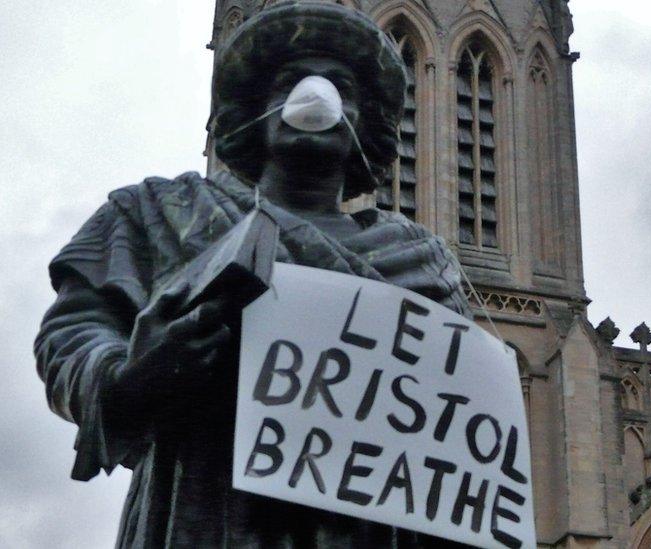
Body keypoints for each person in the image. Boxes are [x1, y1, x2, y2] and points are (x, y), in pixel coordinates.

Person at [34, 3, 470, 547]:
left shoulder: (421, 261)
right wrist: (132, 374)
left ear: (367, 120)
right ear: (254, 108)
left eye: (341, 85)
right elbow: (71, 334)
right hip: (201, 514)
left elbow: (455, 435)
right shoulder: (161, 211)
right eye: (291, 82)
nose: (317, 95)